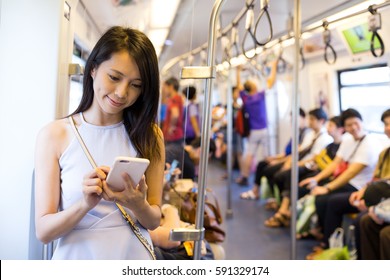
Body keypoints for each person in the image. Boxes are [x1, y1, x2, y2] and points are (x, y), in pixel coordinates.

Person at [34, 26, 165, 259]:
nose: (122, 93)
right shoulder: (55, 135)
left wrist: (137, 204)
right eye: (114, 77)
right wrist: (85, 204)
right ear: (93, 69)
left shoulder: (150, 135)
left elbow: (154, 220)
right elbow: (43, 231)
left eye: (136, 85)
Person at [301, 108, 382, 257]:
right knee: (320, 199)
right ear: (344, 127)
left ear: (362, 122)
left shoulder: (370, 143)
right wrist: (316, 179)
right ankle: (323, 235)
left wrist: (327, 187)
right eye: (349, 125)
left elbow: (351, 172)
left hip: (359, 186)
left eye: (356, 123)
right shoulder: (348, 140)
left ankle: (328, 246)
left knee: (332, 201)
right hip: (349, 183)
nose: (353, 128)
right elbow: (336, 163)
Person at [264, 111, 337, 228]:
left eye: (312, 119)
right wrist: (289, 161)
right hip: (305, 164)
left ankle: (284, 210)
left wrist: (296, 164)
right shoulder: (311, 135)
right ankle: (283, 207)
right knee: (274, 172)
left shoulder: (326, 139)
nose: (310, 122)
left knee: (290, 175)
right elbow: (301, 150)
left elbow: (315, 159)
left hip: (311, 167)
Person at [240, 107, 309, 202]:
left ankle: (277, 199)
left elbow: (296, 154)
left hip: (290, 160)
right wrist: (273, 157)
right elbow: (286, 153)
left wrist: (278, 161)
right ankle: (256, 191)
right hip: (285, 158)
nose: (293, 122)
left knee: (269, 171)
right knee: (262, 164)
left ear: (303, 118)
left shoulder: (306, 134)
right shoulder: (296, 134)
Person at [235, 60, 278, 186]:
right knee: (266, 156)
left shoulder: (246, 99)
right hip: (263, 130)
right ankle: (265, 180)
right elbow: (271, 81)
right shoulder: (259, 96)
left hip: (253, 131)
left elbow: (238, 86)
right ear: (253, 87)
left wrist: (238, 71)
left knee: (249, 155)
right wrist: (274, 66)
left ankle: (244, 176)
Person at [162, 77, 184, 145]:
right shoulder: (179, 98)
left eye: (165, 87)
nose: (164, 90)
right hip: (177, 135)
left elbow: (175, 114)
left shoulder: (173, 99)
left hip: (173, 136)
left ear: (171, 87)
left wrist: (171, 127)